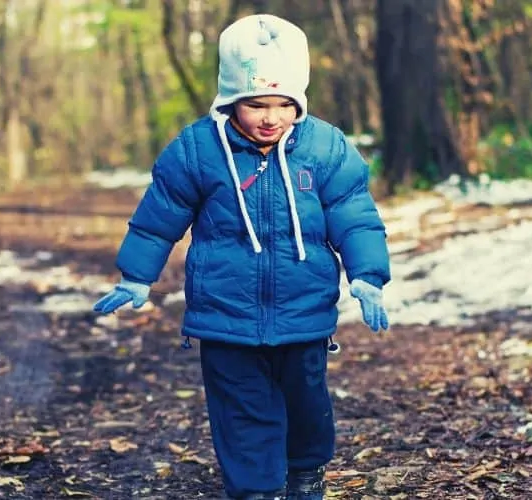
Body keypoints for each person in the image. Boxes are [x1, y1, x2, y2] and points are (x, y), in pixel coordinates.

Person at [93, 13, 391, 500]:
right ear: (230, 99)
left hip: (304, 314)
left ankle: (305, 474)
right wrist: (136, 276)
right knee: (242, 413)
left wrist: (367, 275)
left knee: (306, 407)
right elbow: (158, 215)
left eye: (283, 104)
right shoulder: (198, 150)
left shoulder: (324, 147)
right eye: (256, 104)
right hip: (224, 317)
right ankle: (255, 491)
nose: (271, 117)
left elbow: (354, 214)